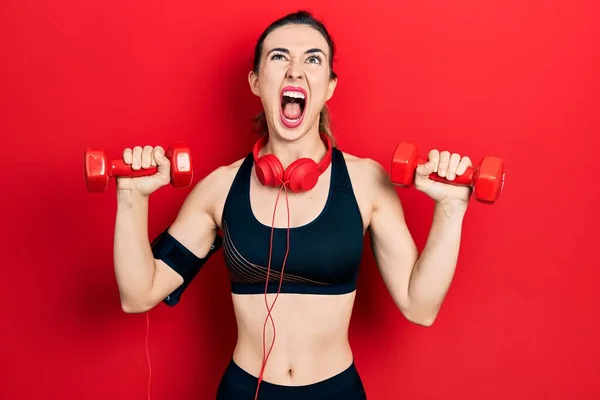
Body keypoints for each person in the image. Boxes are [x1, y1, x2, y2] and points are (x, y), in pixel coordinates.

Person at [112, 10, 474, 400]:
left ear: (330, 86)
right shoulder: (219, 188)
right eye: (279, 56)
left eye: (313, 59)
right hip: (244, 390)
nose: (295, 71)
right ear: (256, 81)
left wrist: (451, 209)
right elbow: (139, 294)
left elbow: (420, 307)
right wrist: (132, 197)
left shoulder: (366, 182)